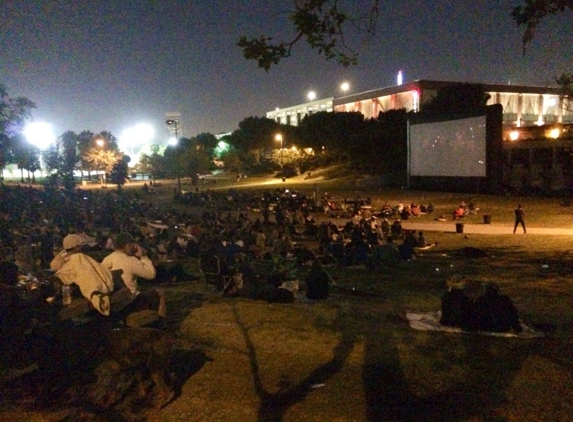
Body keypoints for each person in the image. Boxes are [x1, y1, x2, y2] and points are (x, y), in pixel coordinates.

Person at [101, 232, 165, 318]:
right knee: (159, 293)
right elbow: (151, 274)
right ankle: (160, 321)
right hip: (129, 302)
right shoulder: (130, 260)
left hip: (113, 301)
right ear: (127, 246)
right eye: (133, 245)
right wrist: (144, 256)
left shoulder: (106, 259)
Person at [50, 234, 114, 316]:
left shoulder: (64, 256)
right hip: (70, 288)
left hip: (65, 287)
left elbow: (54, 267)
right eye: (79, 246)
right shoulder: (78, 257)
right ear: (77, 247)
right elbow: (89, 273)